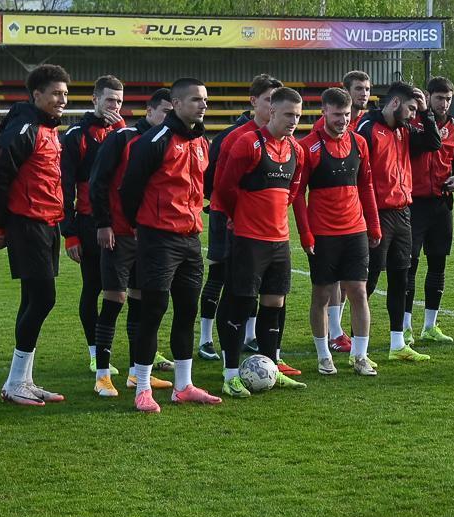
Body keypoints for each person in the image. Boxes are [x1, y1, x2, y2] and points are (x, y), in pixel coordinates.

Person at [118, 79, 222, 409]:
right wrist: (142, 226)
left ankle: (183, 385)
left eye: (205, 99)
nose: (203, 105)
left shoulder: (201, 142)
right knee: (153, 311)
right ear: (176, 104)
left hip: (191, 239)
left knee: (187, 311)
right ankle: (142, 388)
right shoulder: (155, 140)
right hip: (158, 239)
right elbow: (129, 189)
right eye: (196, 99)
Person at [212, 86, 311, 391]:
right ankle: (230, 375)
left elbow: (293, 191)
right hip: (248, 239)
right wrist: (240, 214)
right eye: (288, 114)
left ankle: (271, 367)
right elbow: (224, 187)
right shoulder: (248, 143)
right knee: (241, 304)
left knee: (274, 303)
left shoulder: (297, 150)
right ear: (272, 111)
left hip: (279, 241)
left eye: (298, 116)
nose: (293, 121)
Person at [0, 63, 70, 406]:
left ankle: (23, 379)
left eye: (65, 94)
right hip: (28, 224)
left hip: (48, 223)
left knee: (32, 299)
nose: (62, 100)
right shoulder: (25, 129)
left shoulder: (47, 129)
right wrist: (3, 226)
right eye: (56, 93)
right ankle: (14, 382)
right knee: (43, 298)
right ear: (37, 94)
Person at [87, 88, 175, 397]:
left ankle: (138, 374)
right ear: (149, 111)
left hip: (150, 236)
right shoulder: (123, 138)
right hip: (120, 234)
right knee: (114, 301)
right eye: (165, 112)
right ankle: (102, 375)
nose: (170, 117)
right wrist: (104, 223)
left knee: (142, 302)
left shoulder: (168, 142)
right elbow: (98, 181)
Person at [293, 88, 382, 375]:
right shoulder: (308, 147)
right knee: (321, 295)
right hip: (323, 234)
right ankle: (323, 355)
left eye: (346, 114)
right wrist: (306, 234)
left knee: (358, 291)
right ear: (324, 113)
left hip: (355, 230)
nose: (342, 120)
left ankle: (360, 356)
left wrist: (374, 224)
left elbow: (366, 185)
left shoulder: (359, 143)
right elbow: (298, 195)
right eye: (337, 115)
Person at [199, 74, 281, 361]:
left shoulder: (279, 138)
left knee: (255, 279)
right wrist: (228, 208)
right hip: (226, 217)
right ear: (253, 101)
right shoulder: (232, 137)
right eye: (268, 100)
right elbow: (211, 180)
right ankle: (206, 338)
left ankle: (250, 335)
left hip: (259, 225)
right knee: (220, 275)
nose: (273, 106)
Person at [359, 80, 439, 361]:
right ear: (395, 103)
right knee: (369, 280)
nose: (413, 115)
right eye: (411, 108)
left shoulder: (405, 130)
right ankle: (356, 345)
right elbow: (359, 177)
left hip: (403, 213)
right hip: (377, 214)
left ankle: (397, 345)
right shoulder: (368, 128)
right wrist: (368, 218)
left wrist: (426, 112)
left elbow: (433, 142)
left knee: (400, 279)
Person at [61, 75, 126, 385]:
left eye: (119, 101)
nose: (115, 106)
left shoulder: (124, 132)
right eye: (110, 100)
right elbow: (65, 187)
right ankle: (94, 352)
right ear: (95, 100)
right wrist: (70, 233)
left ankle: (144, 353)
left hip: (122, 224)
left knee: (130, 289)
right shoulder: (76, 135)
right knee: (94, 287)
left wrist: (121, 128)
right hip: (90, 224)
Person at [409, 76, 454, 344]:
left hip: (442, 204)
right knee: (409, 266)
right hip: (413, 203)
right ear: (428, 97)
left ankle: (430, 326)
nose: (444, 103)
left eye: (448, 99)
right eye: (439, 98)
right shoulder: (413, 123)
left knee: (437, 264)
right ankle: (405, 327)